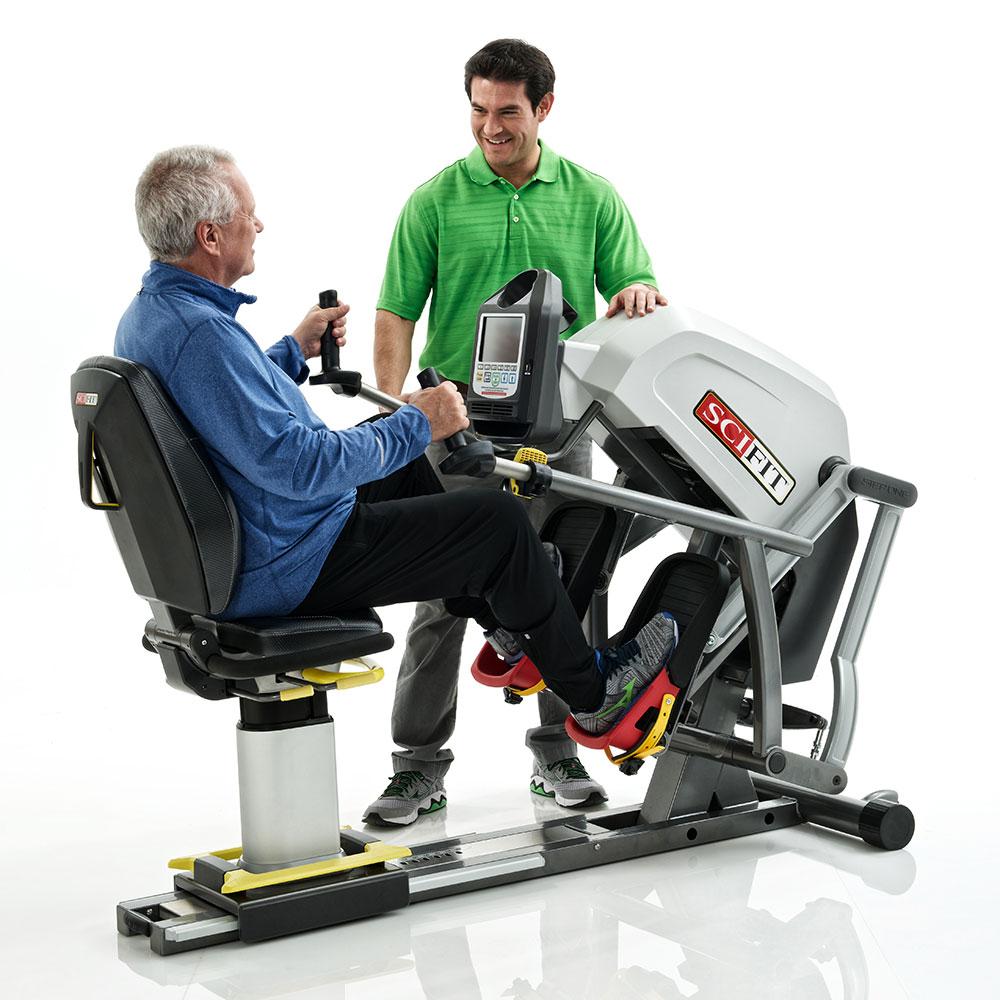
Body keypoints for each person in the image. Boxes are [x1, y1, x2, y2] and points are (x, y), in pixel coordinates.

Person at [114, 145, 679, 826]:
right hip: (289, 557)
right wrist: (418, 421)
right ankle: (597, 695)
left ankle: (513, 626)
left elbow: (223, 406)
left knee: (416, 475)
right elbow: (299, 465)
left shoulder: (161, 315)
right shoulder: (202, 335)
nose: (257, 226)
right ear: (210, 236)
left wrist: (292, 351)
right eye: (247, 215)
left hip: (268, 534)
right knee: (495, 524)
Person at [369, 39, 668, 822]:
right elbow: (396, 312)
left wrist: (637, 292)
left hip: (559, 421)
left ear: (544, 107)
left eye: (507, 111)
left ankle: (559, 750)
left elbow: (635, 280)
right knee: (442, 594)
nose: (490, 127)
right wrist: (395, 409)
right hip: (455, 421)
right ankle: (416, 767)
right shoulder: (435, 200)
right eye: (478, 110)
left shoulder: (591, 196)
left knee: (566, 585)